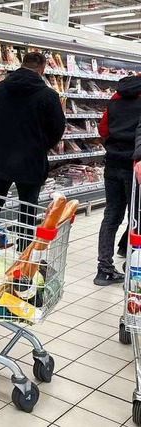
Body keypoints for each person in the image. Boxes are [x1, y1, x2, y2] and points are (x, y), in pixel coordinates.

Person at [0, 52, 65, 249]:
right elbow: (58, 128)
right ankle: (23, 251)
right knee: (28, 207)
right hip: (30, 159)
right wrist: (41, 144)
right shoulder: (49, 96)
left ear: (22, 64)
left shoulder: (0, 88)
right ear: (42, 69)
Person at [93, 74, 141, 286]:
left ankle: (104, 269)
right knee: (137, 217)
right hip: (135, 165)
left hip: (112, 162)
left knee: (111, 215)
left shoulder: (114, 99)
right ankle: (132, 265)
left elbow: (103, 129)